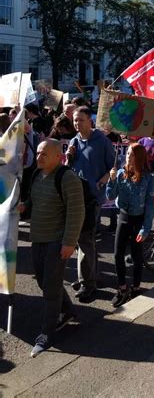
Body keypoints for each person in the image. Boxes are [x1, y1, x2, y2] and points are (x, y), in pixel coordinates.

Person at [22, 139, 85, 357]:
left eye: (44, 154)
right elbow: (33, 201)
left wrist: (69, 242)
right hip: (38, 238)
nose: (38, 157)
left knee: (50, 287)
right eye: (38, 153)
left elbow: (77, 212)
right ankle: (67, 311)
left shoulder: (67, 178)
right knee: (44, 281)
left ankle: (46, 334)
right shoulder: (37, 175)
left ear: (58, 157)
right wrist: (24, 206)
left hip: (57, 241)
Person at [67, 106, 115, 302]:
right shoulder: (74, 141)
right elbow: (69, 168)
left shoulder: (102, 141)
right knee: (83, 240)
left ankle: (88, 284)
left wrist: (101, 182)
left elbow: (113, 166)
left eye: (81, 120)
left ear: (90, 121)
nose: (77, 124)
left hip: (93, 198)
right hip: (76, 197)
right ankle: (90, 276)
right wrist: (69, 157)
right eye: (75, 120)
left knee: (84, 239)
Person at [106, 143, 154, 307]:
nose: (127, 157)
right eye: (127, 154)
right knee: (118, 254)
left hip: (138, 219)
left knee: (136, 256)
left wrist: (145, 228)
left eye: (131, 155)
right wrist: (111, 181)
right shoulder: (120, 174)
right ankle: (122, 288)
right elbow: (110, 195)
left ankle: (136, 287)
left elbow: (149, 204)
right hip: (123, 217)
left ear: (139, 158)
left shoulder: (147, 178)